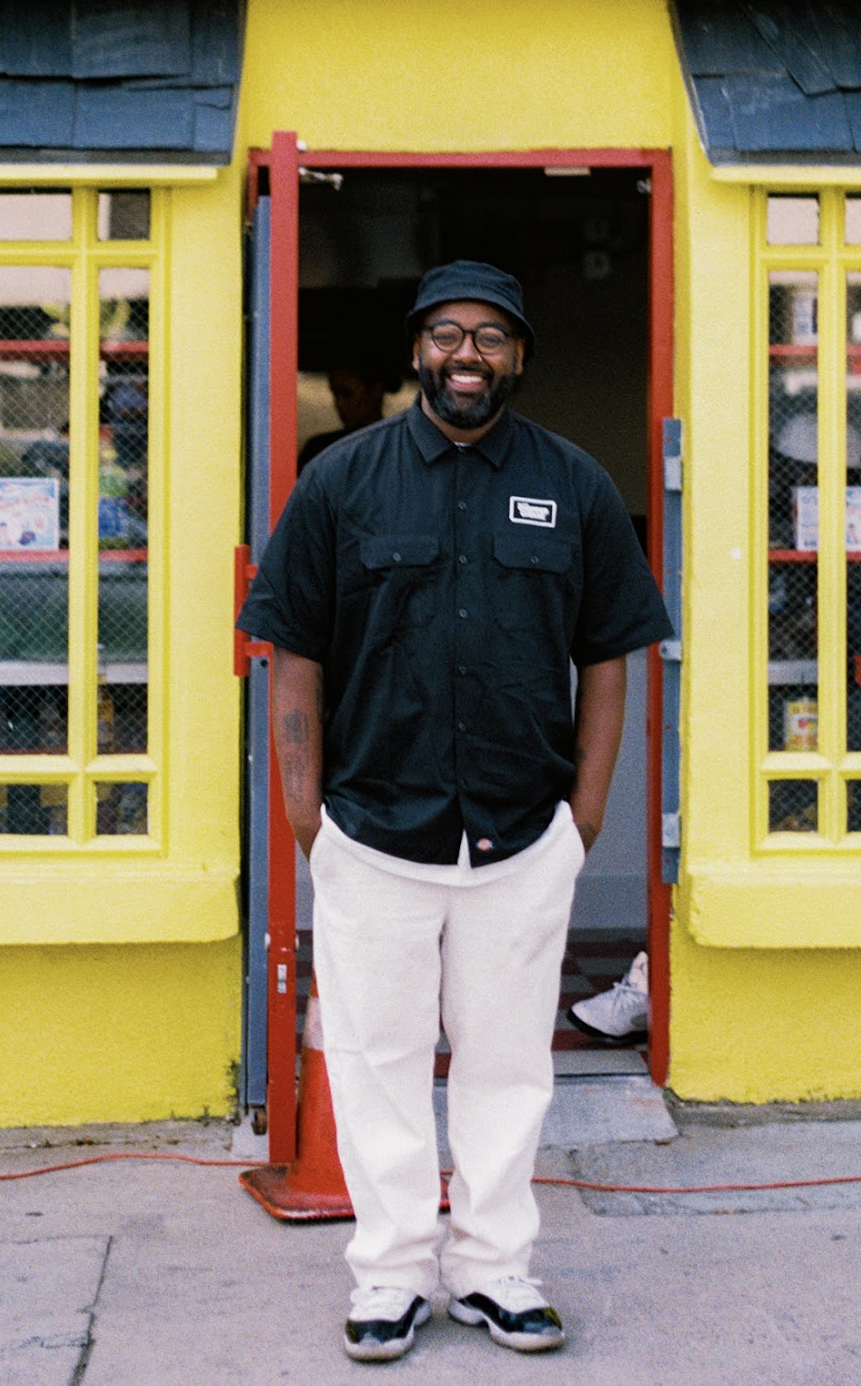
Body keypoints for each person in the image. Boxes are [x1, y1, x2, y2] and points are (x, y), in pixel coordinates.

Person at [238, 260, 671, 1363]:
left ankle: (492, 1269)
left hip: (522, 836)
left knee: (508, 1063)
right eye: (445, 333)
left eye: (488, 335)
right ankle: (388, 1276)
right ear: (416, 349)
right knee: (376, 1058)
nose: (465, 353)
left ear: (517, 355)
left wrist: (582, 813)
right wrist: (306, 816)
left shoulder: (571, 483)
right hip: (372, 831)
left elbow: (610, 652)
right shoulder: (340, 478)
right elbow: (292, 653)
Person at [298, 360, 389, 472]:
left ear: (376, 391)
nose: (339, 404)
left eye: (347, 394)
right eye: (336, 394)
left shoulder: (398, 448)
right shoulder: (319, 449)